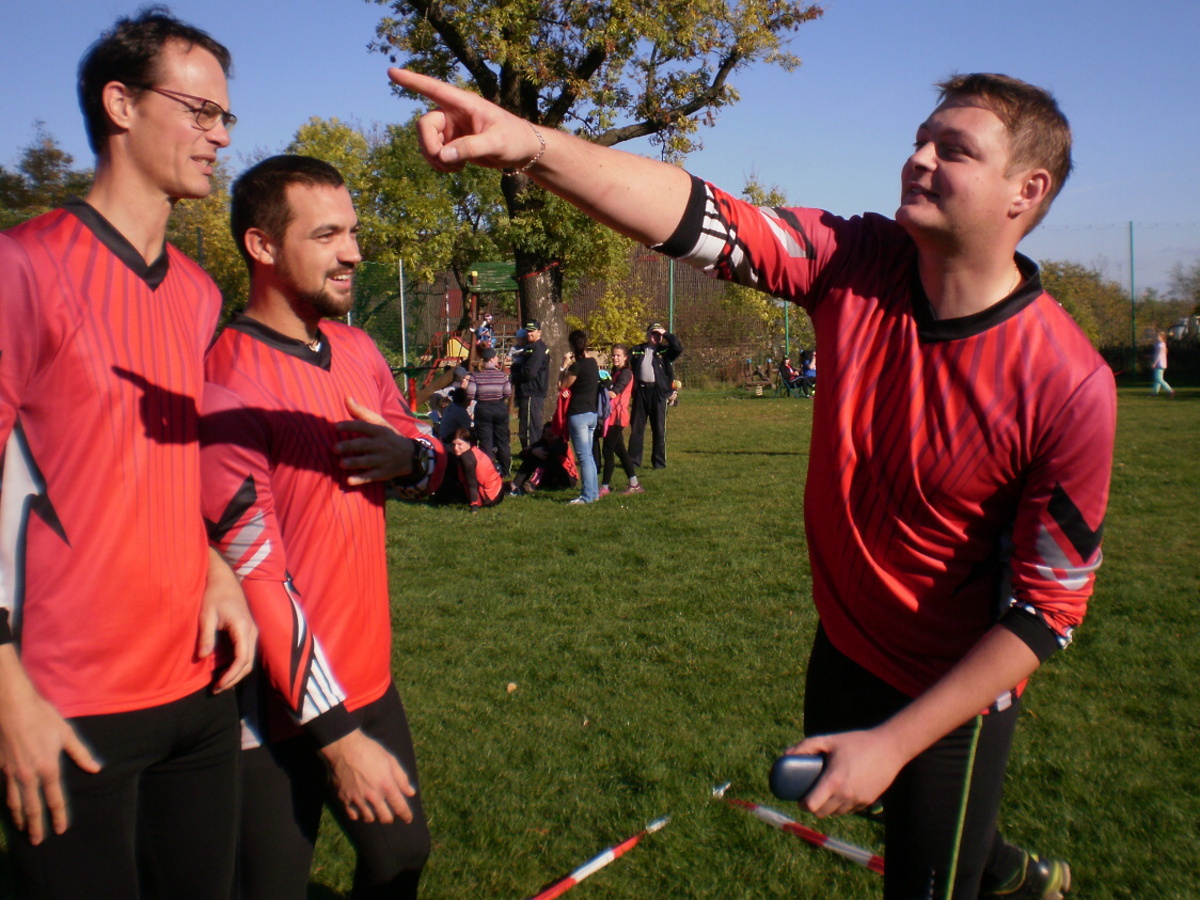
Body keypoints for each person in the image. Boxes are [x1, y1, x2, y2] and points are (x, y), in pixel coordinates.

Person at [391, 67, 1117, 899]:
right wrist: (532, 146)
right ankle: (1006, 869)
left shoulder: (1068, 383)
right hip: (843, 648)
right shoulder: (857, 261)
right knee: (897, 807)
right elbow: (707, 216)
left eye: (953, 150)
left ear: (1028, 190)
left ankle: (1000, 870)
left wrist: (896, 742)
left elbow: (1047, 610)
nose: (918, 159)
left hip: (953, 691)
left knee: (924, 857)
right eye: (920, 139)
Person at [0, 12, 257, 899]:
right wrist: (6, 691)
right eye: (199, 111)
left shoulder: (197, 293)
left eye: (225, 116)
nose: (220, 136)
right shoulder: (22, 268)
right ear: (120, 104)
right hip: (65, 705)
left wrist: (214, 564)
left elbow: (157, 466)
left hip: (198, 694)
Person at [201, 155, 445, 899]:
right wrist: (337, 740)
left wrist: (409, 457)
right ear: (262, 246)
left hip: (368, 673)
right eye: (328, 235)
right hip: (264, 702)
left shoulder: (359, 350)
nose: (353, 254)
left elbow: (427, 451)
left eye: (354, 232)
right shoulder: (225, 379)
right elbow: (258, 577)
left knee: (401, 857)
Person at [628, 322, 684, 469]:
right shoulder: (637, 350)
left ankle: (658, 462)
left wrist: (666, 334)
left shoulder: (664, 351)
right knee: (637, 427)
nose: (656, 337)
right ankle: (633, 461)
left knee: (658, 428)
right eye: (653, 334)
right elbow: (623, 361)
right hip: (641, 391)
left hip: (658, 392)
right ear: (647, 335)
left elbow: (678, 347)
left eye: (659, 335)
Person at [559, 329, 601, 504]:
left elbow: (561, 385)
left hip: (579, 414)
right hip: (592, 413)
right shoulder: (593, 363)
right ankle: (593, 493)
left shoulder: (576, 367)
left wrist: (563, 366)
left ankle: (587, 496)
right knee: (589, 456)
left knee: (584, 457)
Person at [600, 344, 642, 496]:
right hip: (611, 416)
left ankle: (605, 487)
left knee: (607, 450)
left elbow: (613, 393)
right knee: (621, 451)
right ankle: (634, 484)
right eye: (613, 355)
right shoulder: (615, 371)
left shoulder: (626, 373)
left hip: (618, 417)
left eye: (618, 355)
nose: (615, 358)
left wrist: (602, 385)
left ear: (625, 357)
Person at [433, 428, 506, 509]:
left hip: (488, 498)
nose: (456, 448)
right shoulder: (474, 451)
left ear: (468, 443)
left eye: (459, 444)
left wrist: (474, 505)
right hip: (498, 489)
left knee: (445, 490)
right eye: (454, 444)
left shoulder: (467, 458)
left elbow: (472, 483)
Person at [467, 346, 513, 475]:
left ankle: (488, 468)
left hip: (483, 408)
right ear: (492, 359)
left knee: (485, 440)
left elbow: (470, 394)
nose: (498, 358)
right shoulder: (502, 375)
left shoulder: (476, 376)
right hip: (499, 408)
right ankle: (505, 469)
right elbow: (508, 393)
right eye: (496, 357)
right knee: (502, 439)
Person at [511, 318, 550, 450]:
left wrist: (514, 375)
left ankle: (531, 454)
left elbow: (529, 373)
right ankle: (535, 452)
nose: (530, 334)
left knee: (528, 429)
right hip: (530, 392)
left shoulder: (538, 349)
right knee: (530, 426)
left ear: (539, 332)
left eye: (532, 331)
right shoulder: (531, 348)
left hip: (532, 392)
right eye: (528, 331)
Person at [1149, 331, 1174, 397]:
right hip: (1161, 363)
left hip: (1160, 364)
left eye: (1158, 336)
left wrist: (1154, 363)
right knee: (1157, 379)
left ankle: (1170, 391)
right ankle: (1154, 393)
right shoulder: (1160, 344)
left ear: (1162, 337)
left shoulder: (1161, 345)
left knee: (1158, 379)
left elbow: (1159, 355)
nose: (1156, 337)